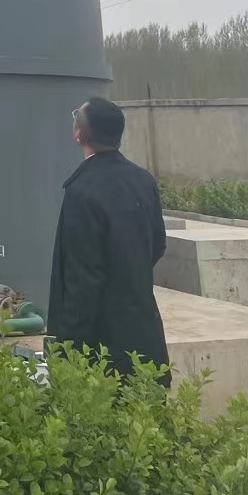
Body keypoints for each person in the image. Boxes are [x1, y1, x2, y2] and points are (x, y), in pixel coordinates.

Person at [47, 96, 170, 384]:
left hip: (99, 347)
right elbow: (158, 244)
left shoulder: (82, 190)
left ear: (79, 135)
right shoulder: (143, 180)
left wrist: (67, 351)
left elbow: (81, 277)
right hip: (143, 335)